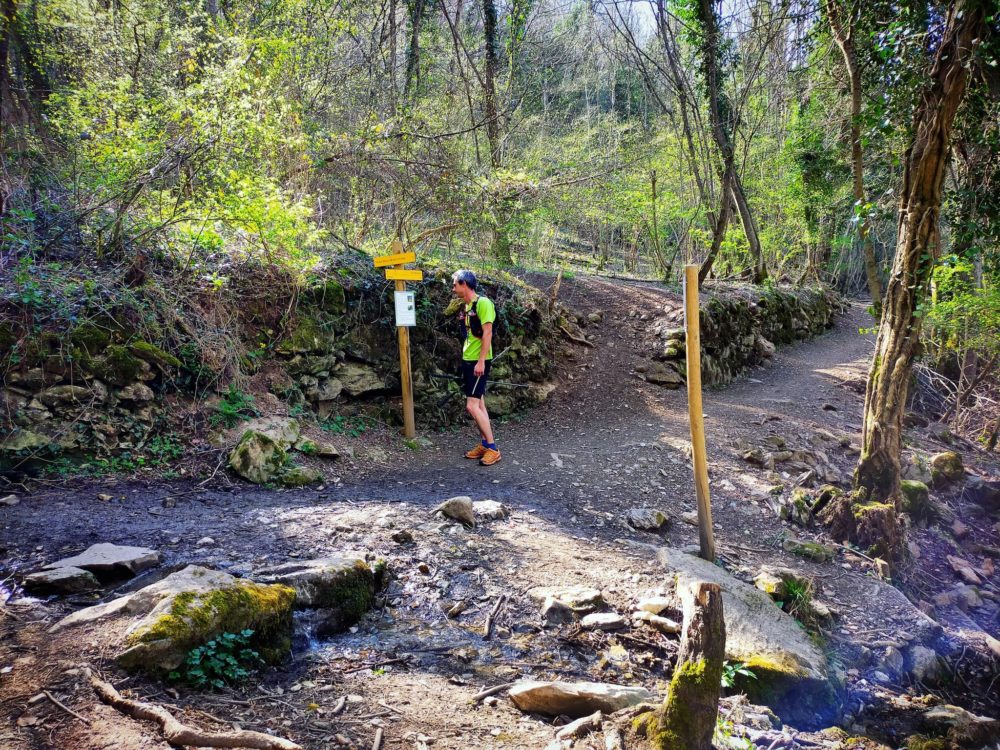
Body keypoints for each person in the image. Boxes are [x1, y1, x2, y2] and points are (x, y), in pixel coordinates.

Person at [451, 269, 501, 466]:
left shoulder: (484, 303)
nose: (453, 288)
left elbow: (488, 334)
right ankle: (484, 444)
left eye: (455, 284)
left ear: (465, 284)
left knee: (471, 406)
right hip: (468, 358)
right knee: (479, 404)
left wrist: (481, 361)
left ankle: (493, 448)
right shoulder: (467, 306)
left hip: (478, 361)